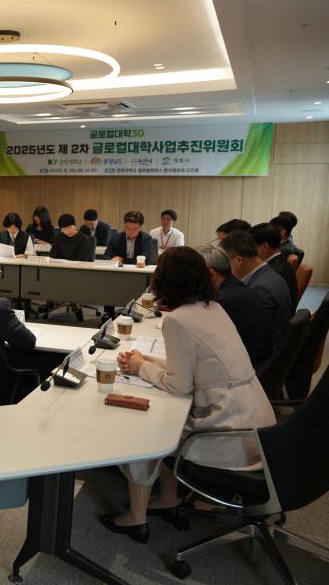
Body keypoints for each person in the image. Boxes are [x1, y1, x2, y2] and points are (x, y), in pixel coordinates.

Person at [101, 247, 275, 543]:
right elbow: (198, 368)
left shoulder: (178, 320)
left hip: (229, 435)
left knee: (146, 431)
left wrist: (141, 368)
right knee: (172, 422)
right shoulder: (213, 307)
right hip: (256, 422)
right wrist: (147, 361)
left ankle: (136, 519)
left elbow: (178, 386)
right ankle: (168, 499)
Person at [195, 244, 273, 367]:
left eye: (193, 276)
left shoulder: (223, 301)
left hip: (244, 368)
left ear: (211, 275)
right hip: (259, 360)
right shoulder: (237, 287)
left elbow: (205, 346)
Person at [221, 230, 291, 345]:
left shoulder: (258, 289)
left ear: (238, 260)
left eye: (226, 262)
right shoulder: (270, 274)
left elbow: (255, 335)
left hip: (266, 350)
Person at [250, 223, 298, 308]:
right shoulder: (281, 260)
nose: (251, 251)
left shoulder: (273, 272)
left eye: (253, 247)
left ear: (265, 247)